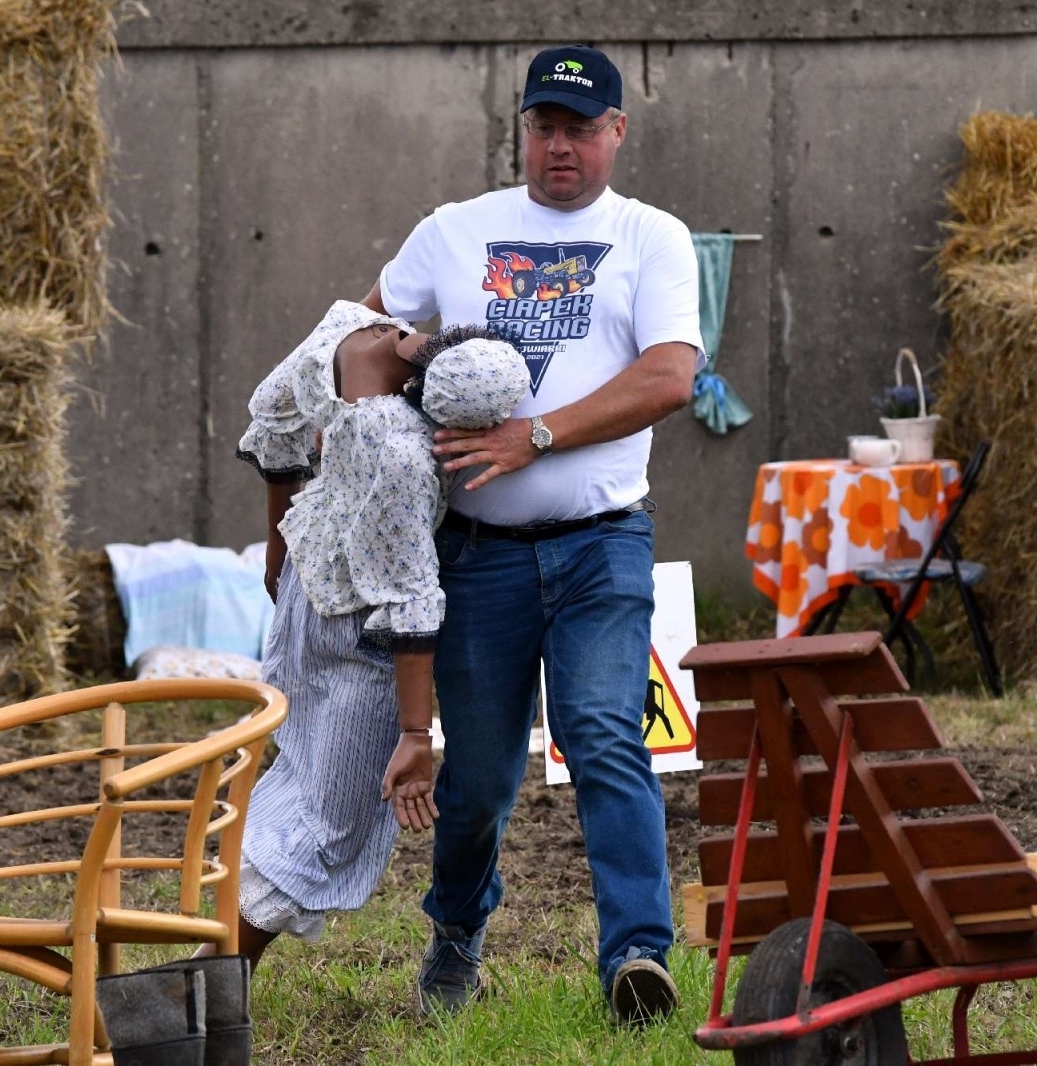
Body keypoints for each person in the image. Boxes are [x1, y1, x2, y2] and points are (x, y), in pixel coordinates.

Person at [362, 44, 705, 1024]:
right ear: (522, 129)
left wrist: (534, 434)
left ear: (616, 134)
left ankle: (637, 956)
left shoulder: (652, 238)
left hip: (601, 542)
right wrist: (410, 364)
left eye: (581, 128)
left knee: (605, 734)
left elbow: (669, 377)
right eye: (545, 125)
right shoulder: (453, 233)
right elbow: (359, 333)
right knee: (474, 785)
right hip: (476, 556)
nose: (562, 146)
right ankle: (457, 937)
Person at [225, 300, 528, 972]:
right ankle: (213, 975)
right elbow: (410, 603)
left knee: (298, 777)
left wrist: (278, 549)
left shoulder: (342, 325)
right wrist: (416, 736)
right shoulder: (400, 451)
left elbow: (273, 422)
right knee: (332, 824)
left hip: (306, 594)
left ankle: (213, 941)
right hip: (361, 636)